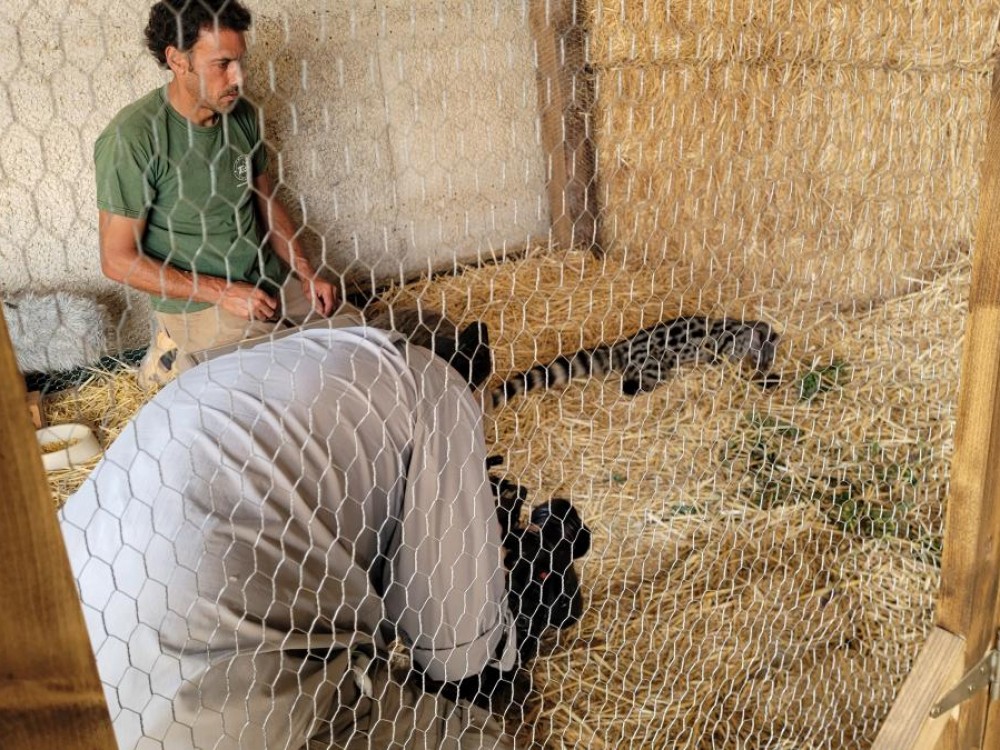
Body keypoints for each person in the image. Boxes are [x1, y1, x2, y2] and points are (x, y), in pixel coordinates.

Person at [60, 316, 519, 749]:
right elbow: (450, 626)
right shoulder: (437, 390)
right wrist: (490, 656)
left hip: (58, 662)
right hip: (201, 702)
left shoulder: (271, 369)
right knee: (467, 736)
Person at [95, 0, 351, 387]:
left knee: (358, 343)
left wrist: (306, 272)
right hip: (202, 301)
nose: (239, 77)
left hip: (267, 280)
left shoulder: (241, 114)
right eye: (223, 64)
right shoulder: (132, 138)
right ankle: (173, 349)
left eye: (240, 61)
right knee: (288, 382)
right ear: (177, 60)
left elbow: (266, 201)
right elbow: (116, 260)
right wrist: (223, 292)